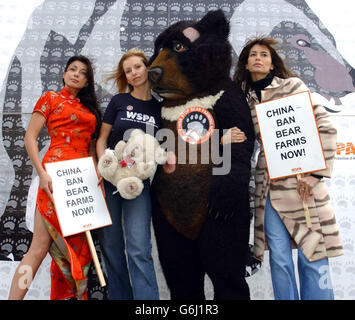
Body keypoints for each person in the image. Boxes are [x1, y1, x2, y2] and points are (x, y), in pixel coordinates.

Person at [232, 36, 344, 300]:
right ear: (246, 64)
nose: (258, 58)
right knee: (279, 257)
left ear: (272, 65)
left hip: (301, 182)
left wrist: (315, 175)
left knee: (311, 250)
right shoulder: (245, 102)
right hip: (269, 186)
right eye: (253, 55)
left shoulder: (293, 86)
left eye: (264, 55)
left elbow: (325, 127)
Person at [8, 55, 102, 300]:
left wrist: (97, 180)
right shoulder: (50, 98)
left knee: (80, 251)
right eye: (72, 69)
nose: (76, 75)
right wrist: (42, 173)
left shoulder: (89, 110)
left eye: (83, 73)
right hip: (54, 176)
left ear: (86, 82)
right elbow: (30, 137)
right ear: (63, 73)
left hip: (82, 183)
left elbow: (91, 150)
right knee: (38, 248)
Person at [96, 48, 161, 300]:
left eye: (137, 67)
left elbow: (161, 146)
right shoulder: (118, 102)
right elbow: (101, 139)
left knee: (138, 247)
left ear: (147, 68)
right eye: (128, 70)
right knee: (112, 246)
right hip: (111, 180)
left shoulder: (159, 107)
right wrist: (103, 164)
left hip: (138, 184)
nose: (133, 73)